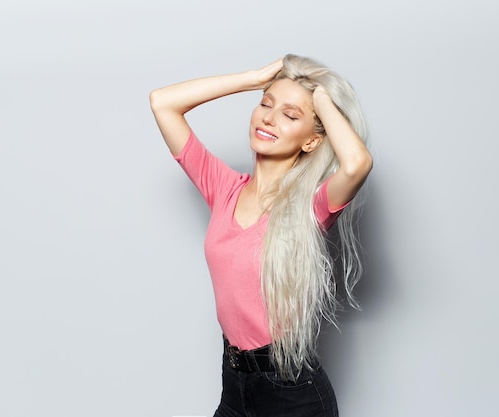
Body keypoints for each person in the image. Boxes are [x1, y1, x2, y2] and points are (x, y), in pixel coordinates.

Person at [149, 53, 373, 417]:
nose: (269, 117)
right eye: (265, 104)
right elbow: (163, 103)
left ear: (312, 142)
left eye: (290, 115)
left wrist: (317, 97)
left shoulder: (311, 207)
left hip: (291, 392)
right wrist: (252, 79)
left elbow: (358, 163)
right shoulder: (224, 189)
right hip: (234, 383)